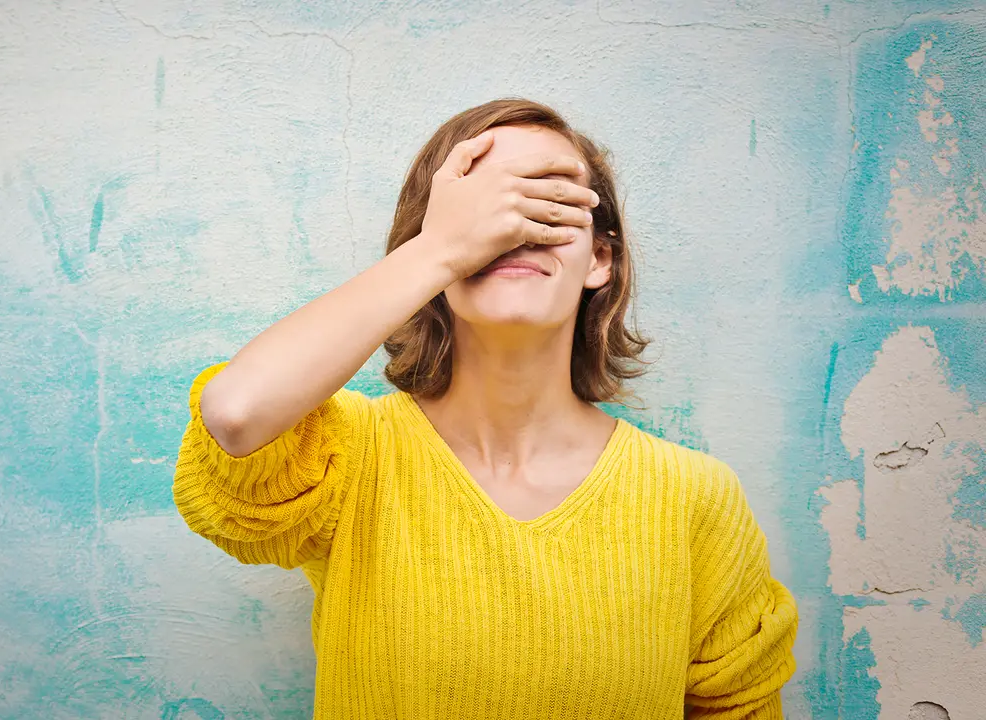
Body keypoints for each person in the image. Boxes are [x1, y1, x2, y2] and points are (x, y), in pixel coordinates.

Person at [172, 98, 798, 719]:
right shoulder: (349, 456)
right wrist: (441, 250)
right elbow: (236, 414)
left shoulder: (694, 498)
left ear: (599, 259)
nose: (514, 225)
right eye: (482, 202)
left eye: (549, 199)